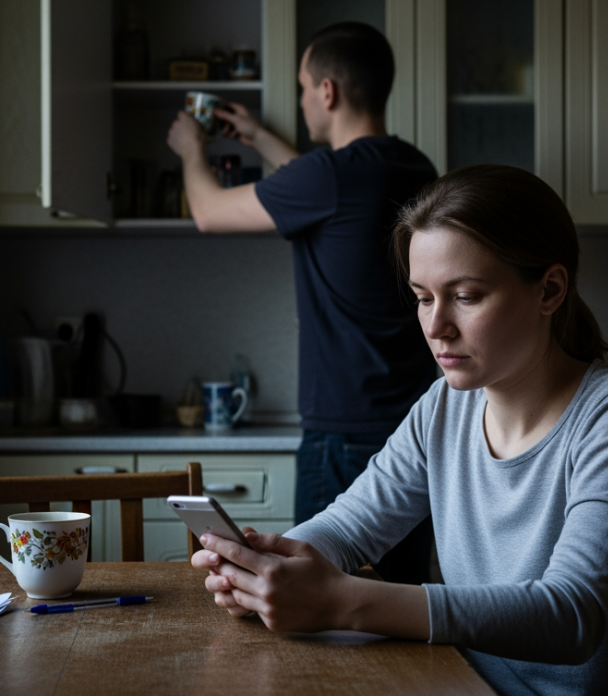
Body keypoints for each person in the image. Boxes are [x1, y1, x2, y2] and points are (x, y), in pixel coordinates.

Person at [188, 165, 608, 696]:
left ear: (550, 290)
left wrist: (340, 601)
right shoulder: (445, 406)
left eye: (466, 296)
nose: (435, 326)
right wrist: (267, 569)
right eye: (423, 297)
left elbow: (573, 616)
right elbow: (350, 529)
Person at [166, 23, 438, 583]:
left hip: (342, 434)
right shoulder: (415, 167)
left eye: (302, 88)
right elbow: (326, 190)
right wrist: (260, 138)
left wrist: (191, 151)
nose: (301, 100)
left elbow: (208, 210)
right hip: (415, 429)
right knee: (398, 607)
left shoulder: (330, 176)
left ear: (328, 92)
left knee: (308, 604)